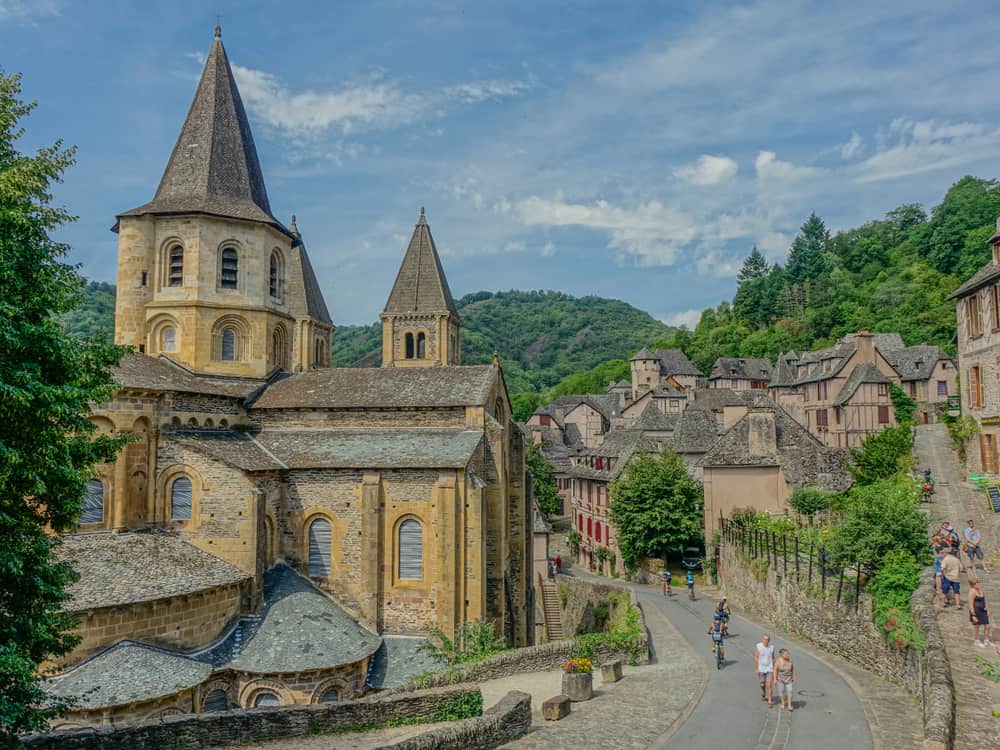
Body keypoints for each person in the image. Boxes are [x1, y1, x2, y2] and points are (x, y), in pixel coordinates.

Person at [969, 577, 992, 648]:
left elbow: (985, 601)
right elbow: (970, 604)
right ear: (972, 585)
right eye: (975, 583)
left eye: (978, 582)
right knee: (977, 626)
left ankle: (986, 640)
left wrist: (988, 610)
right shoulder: (972, 591)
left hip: (983, 610)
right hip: (976, 611)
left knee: (988, 626)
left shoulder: (981, 590)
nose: (977, 584)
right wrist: (973, 615)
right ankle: (976, 641)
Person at [754, 634, 775, 706]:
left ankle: (770, 700)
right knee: (762, 684)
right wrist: (757, 668)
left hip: (769, 668)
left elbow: (772, 658)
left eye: (767, 639)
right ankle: (763, 692)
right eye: (764, 639)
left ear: (769, 640)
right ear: (762, 640)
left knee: (769, 685)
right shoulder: (759, 646)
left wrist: (775, 668)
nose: (766, 641)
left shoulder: (771, 647)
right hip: (761, 668)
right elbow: (756, 657)